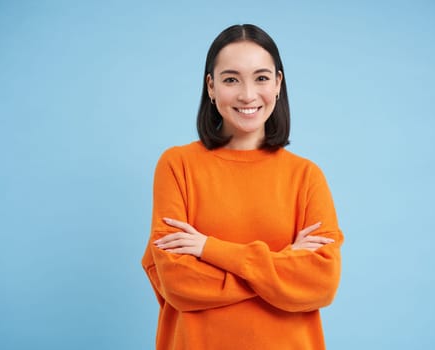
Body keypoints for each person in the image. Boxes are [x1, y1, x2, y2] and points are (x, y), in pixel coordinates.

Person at [141, 23, 344, 350]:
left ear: (278, 84)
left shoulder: (306, 176)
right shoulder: (177, 166)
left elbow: (321, 283)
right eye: (231, 79)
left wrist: (209, 249)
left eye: (261, 78)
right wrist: (281, 268)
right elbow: (178, 282)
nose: (248, 94)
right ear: (211, 87)